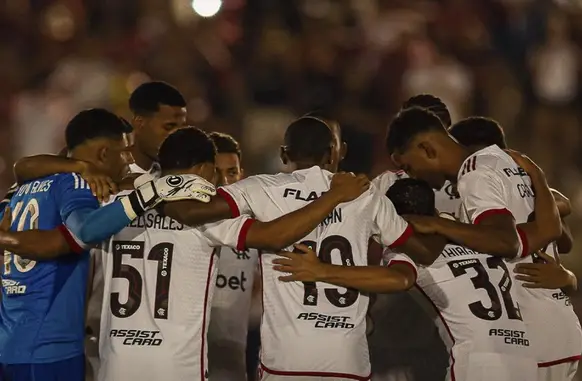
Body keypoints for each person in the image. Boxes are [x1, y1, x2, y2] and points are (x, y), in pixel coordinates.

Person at [0, 126, 370, 381]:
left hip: (116, 366)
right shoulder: (204, 215)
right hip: (177, 368)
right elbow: (274, 236)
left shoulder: (114, 206)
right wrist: (333, 198)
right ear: (203, 169)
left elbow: (55, 235)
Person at [158, 117, 444, 380]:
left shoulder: (260, 188)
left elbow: (189, 211)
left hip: (285, 361)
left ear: (284, 154)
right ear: (334, 153)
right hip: (347, 362)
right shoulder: (364, 194)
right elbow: (424, 253)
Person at [0, 109, 212, 381]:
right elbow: (84, 230)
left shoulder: (24, 187)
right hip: (49, 347)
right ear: (103, 153)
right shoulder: (75, 182)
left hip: (10, 343)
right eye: (124, 151)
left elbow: (23, 168)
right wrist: (151, 193)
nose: (128, 159)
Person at [448, 117, 581, 380]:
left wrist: (568, 278)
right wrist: (568, 278)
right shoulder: (529, 187)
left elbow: (559, 238)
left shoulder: (478, 178)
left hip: (531, 334)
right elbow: (563, 241)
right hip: (558, 331)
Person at [385, 108, 562, 259]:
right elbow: (550, 230)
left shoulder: (474, 174)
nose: (412, 176)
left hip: (529, 297)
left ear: (427, 149)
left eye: (408, 167)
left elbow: (506, 241)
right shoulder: (499, 160)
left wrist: (437, 224)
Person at [206, 132, 258, 381]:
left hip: (230, 360)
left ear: (242, 175)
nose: (224, 182)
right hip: (182, 356)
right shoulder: (180, 221)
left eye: (232, 172)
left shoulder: (258, 228)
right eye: (216, 172)